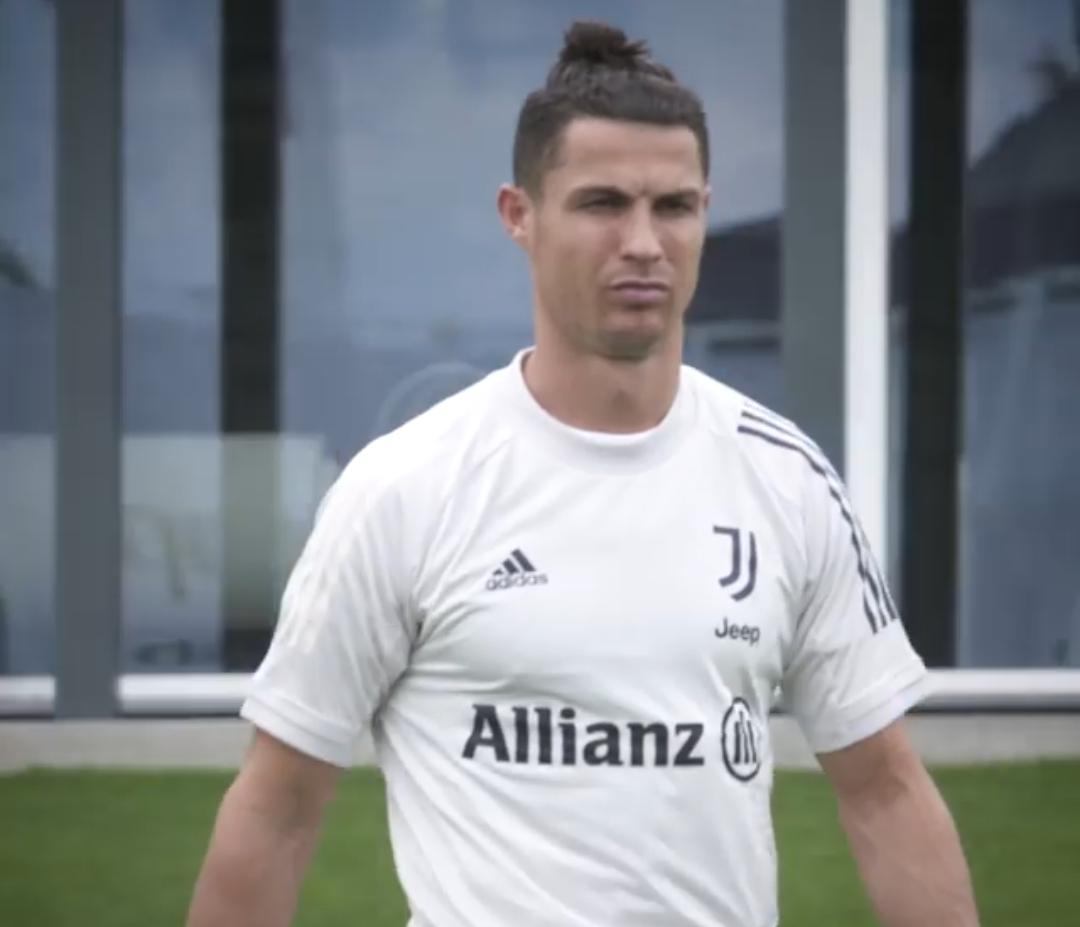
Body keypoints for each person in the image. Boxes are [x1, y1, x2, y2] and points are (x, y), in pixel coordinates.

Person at [187, 20, 979, 927]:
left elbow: (884, 789)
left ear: (705, 213)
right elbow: (279, 804)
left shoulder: (785, 477)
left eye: (673, 206)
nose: (643, 241)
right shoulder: (406, 487)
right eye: (603, 203)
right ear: (518, 215)